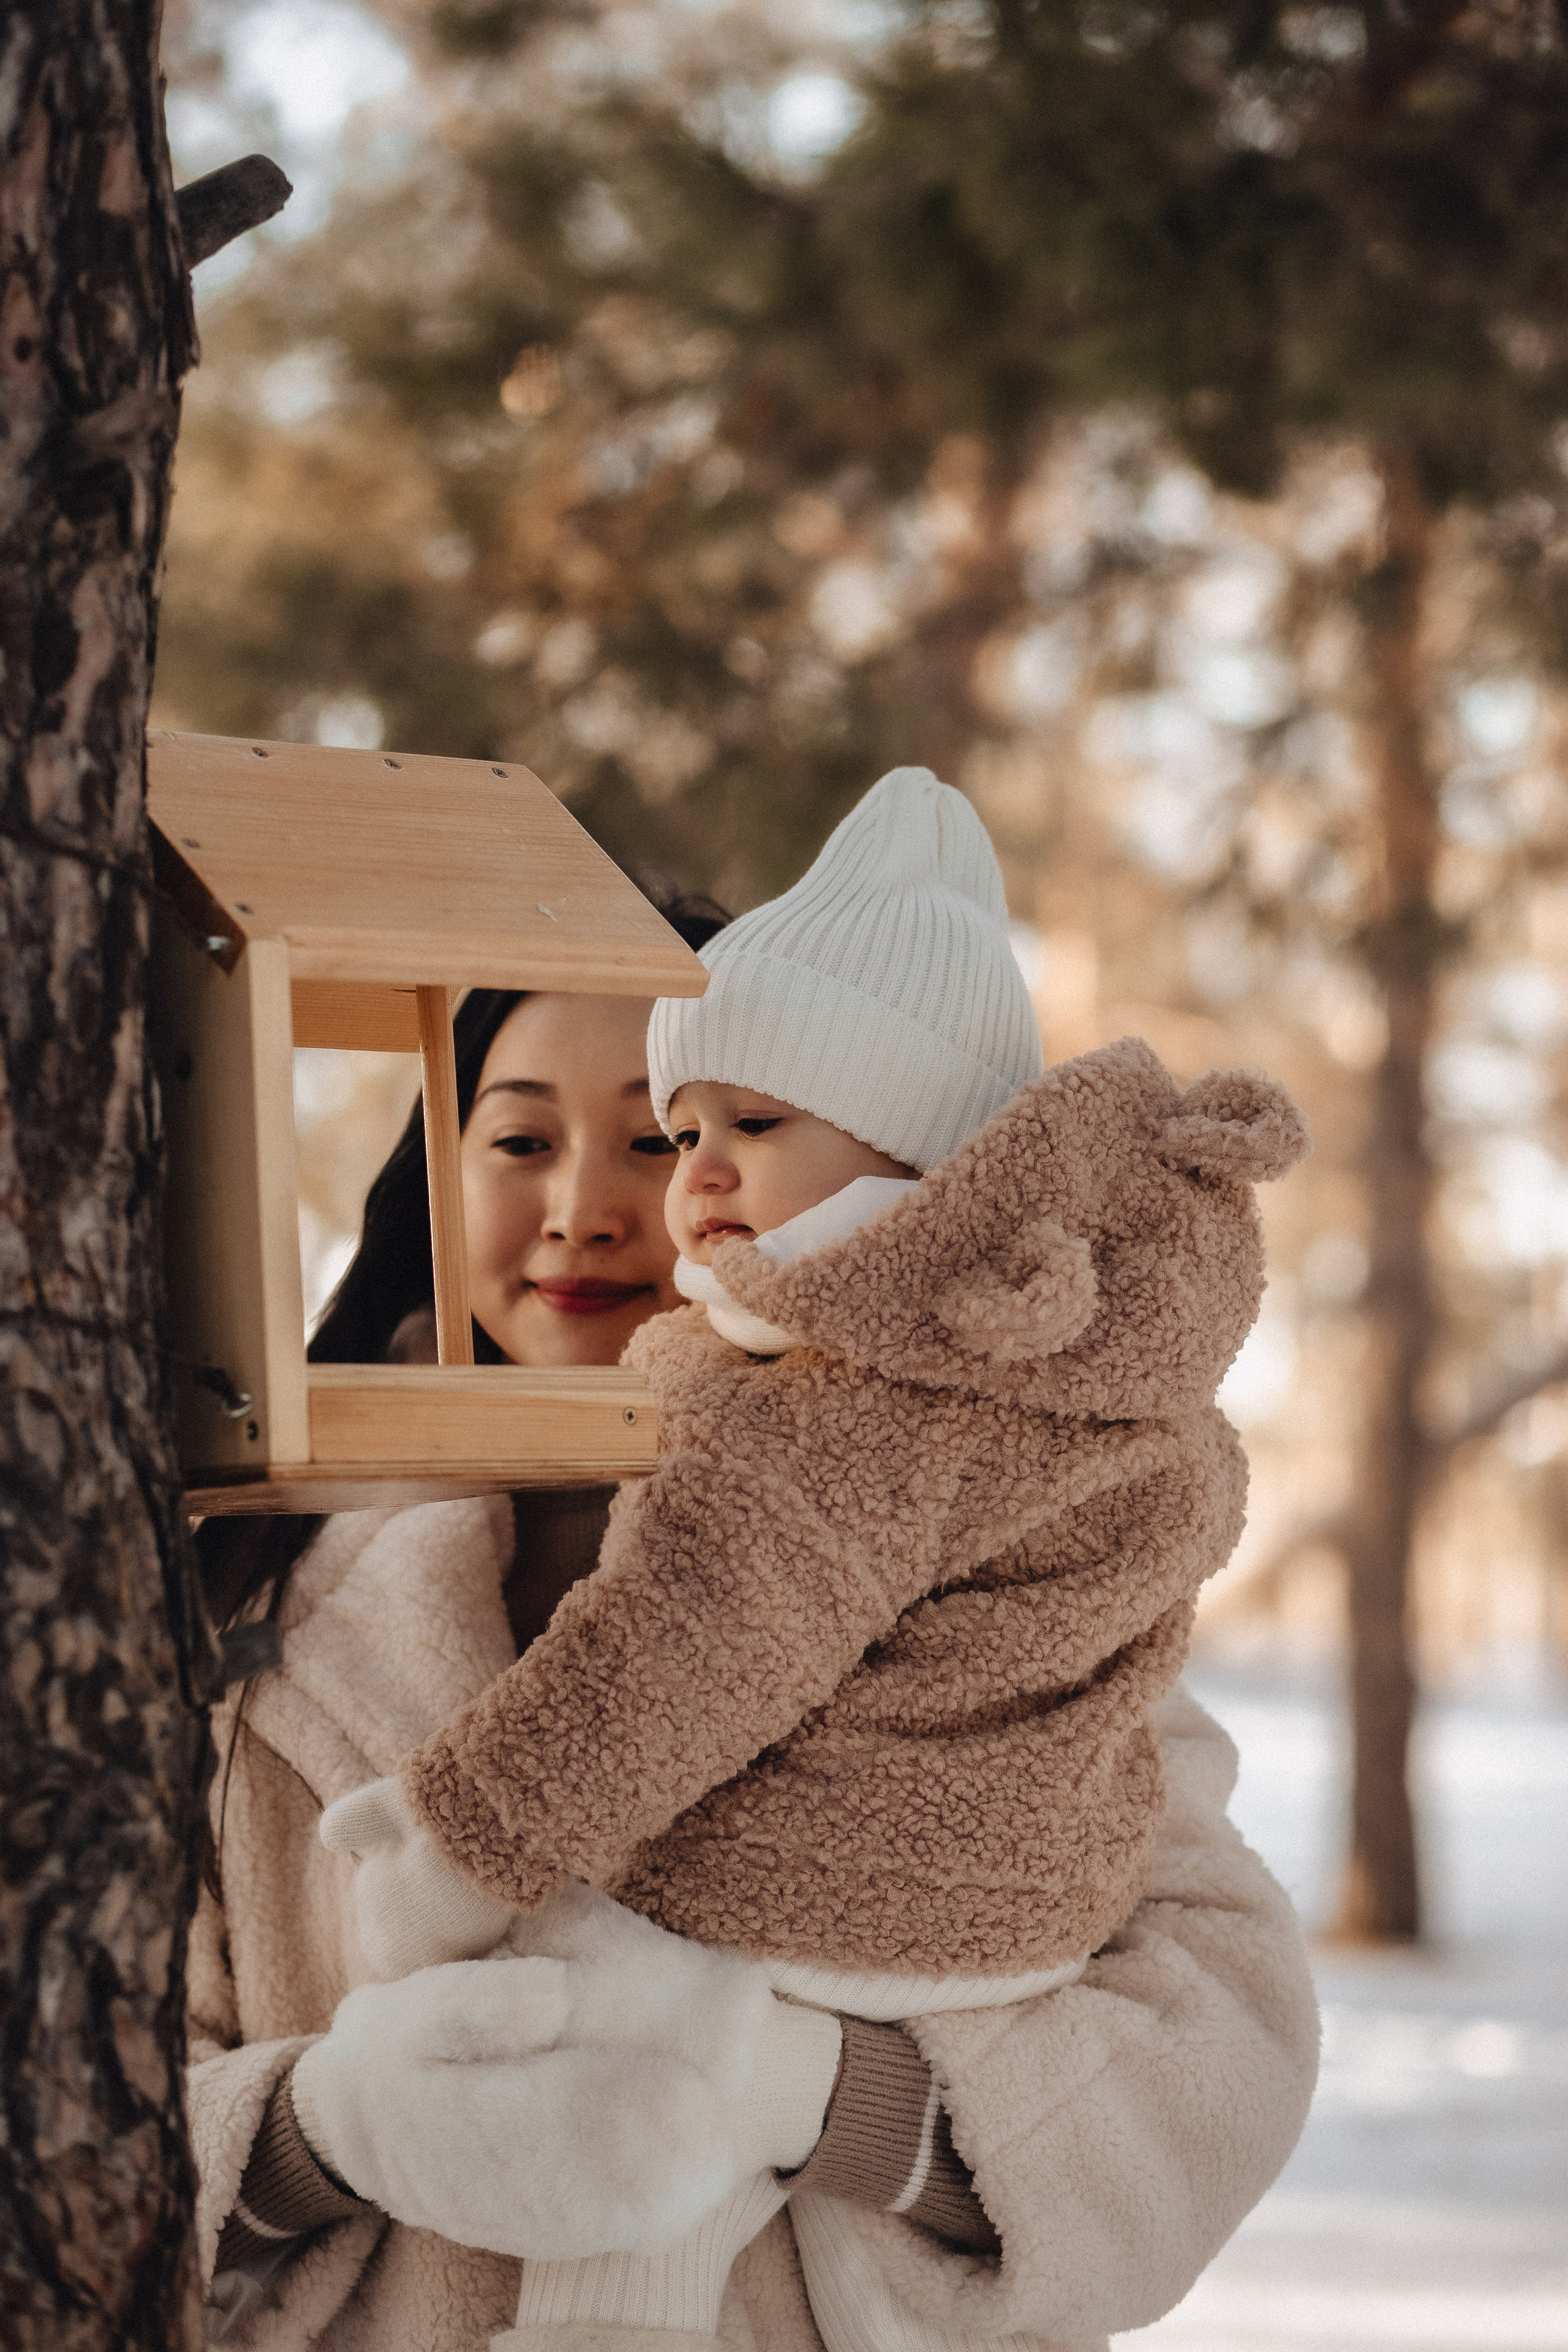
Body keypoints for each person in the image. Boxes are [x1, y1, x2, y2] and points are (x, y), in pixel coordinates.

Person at [187, 856, 1320, 2352]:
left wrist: (814, 2093)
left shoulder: (1002, 1570)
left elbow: (1211, 2044)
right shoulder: (245, 1586)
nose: (594, 1207)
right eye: (519, 1137)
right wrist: (322, 2131)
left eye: (680, 1136)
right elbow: (66, 2078)